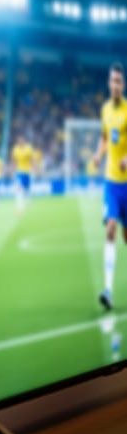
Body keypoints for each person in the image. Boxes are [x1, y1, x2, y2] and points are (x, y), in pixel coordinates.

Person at [94, 62, 127, 311]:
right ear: (108, 83)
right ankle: (107, 289)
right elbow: (105, 137)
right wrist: (98, 154)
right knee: (111, 228)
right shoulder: (104, 109)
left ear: (122, 85)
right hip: (110, 182)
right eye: (112, 80)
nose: (115, 85)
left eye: (119, 81)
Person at [11, 134, 35, 212]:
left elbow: (31, 159)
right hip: (19, 171)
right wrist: (13, 170)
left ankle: (27, 200)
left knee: (27, 189)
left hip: (27, 171)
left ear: (24, 141)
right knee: (19, 188)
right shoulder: (15, 149)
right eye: (19, 141)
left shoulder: (29, 148)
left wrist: (34, 168)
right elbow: (14, 161)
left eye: (22, 140)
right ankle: (19, 205)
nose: (20, 142)